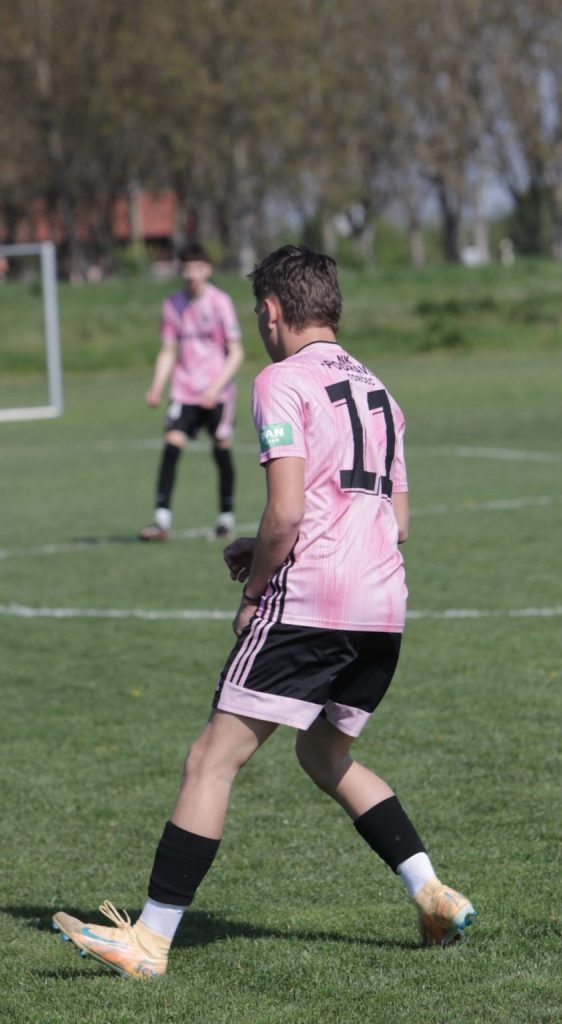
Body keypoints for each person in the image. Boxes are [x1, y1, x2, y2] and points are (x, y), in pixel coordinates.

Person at [52, 245, 476, 980]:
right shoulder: (382, 394)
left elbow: (286, 511)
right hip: (382, 608)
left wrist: (254, 591)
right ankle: (431, 891)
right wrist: (272, 541)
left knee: (210, 761)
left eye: (258, 312)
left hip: (313, 601)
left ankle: (150, 941)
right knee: (325, 754)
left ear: (272, 312)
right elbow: (396, 521)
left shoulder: (281, 381)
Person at [139, 243, 244, 541]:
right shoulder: (172, 305)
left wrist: (215, 387)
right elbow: (168, 350)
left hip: (217, 391)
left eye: (197, 268)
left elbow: (236, 352)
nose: (191, 274)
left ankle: (225, 517)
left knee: (221, 446)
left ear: (207, 270)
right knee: (171, 445)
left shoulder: (220, 302)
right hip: (184, 390)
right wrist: (156, 387)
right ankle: (161, 521)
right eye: (186, 268)